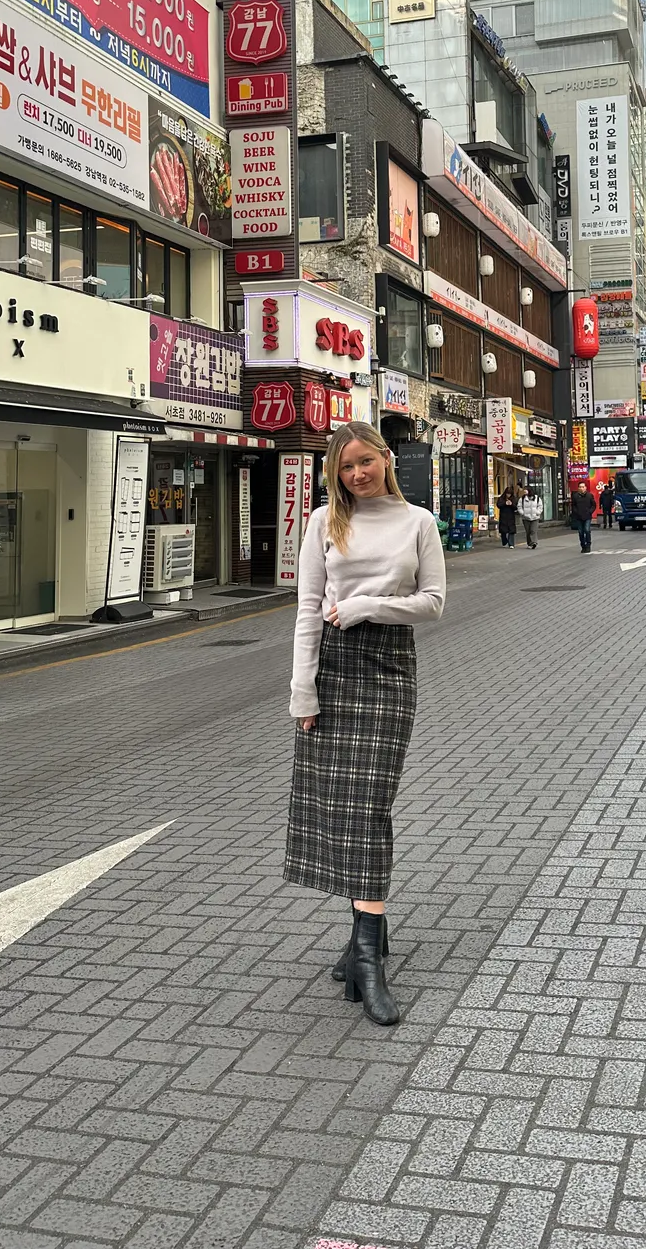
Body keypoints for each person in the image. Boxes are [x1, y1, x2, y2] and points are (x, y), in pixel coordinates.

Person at [284, 420, 446, 1027]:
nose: (357, 474)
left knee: (371, 805)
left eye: (365, 461)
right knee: (341, 807)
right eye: (345, 467)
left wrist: (367, 606)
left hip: (388, 666)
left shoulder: (419, 522)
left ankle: (367, 956)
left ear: (386, 457)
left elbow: (433, 602)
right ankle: (365, 946)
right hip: (333, 668)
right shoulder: (323, 522)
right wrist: (302, 691)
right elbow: (307, 610)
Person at [571, 480, 597, 552]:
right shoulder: (575, 496)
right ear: (578, 488)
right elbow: (573, 506)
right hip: (579, 517)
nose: (581, 488)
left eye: (583, 487)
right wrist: (576, 512)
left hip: (587, 516)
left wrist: (590, 512)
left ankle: (588, 545)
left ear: (585, 488)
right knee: (581, 532)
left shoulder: (589, 495)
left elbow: (593, 505)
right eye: (580, 487)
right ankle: (583, 546)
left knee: (587, 530)